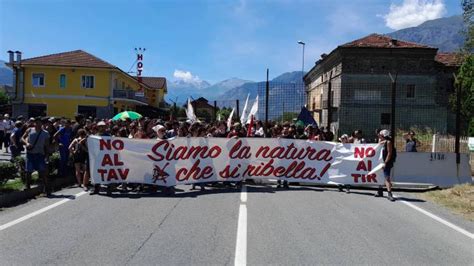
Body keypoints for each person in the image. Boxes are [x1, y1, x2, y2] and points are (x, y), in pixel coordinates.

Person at [21, 118, 51, 196]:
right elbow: (22, 138)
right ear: (34, 123)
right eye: (36, 123)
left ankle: (47, 189)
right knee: (28, 171)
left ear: (42, 124)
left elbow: (47, 146)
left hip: (40, 154)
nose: (38, 124)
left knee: (43, 172)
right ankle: (27, 186)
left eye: (39, 123)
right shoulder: (29, 130)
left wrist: (47, 156)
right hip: (30, 154)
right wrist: (26, 143)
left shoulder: (46, 133)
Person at [375, 129, 396, 201]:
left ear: (383, 135)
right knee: (380, 176)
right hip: (381, 162)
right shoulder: (383, 141)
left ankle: (390, 194)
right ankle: (380, 191)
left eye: (380, 135)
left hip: (386, 162)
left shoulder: (388, 142)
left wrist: (385, 162)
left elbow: (389, 153)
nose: (379, 136)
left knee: (387, 178)